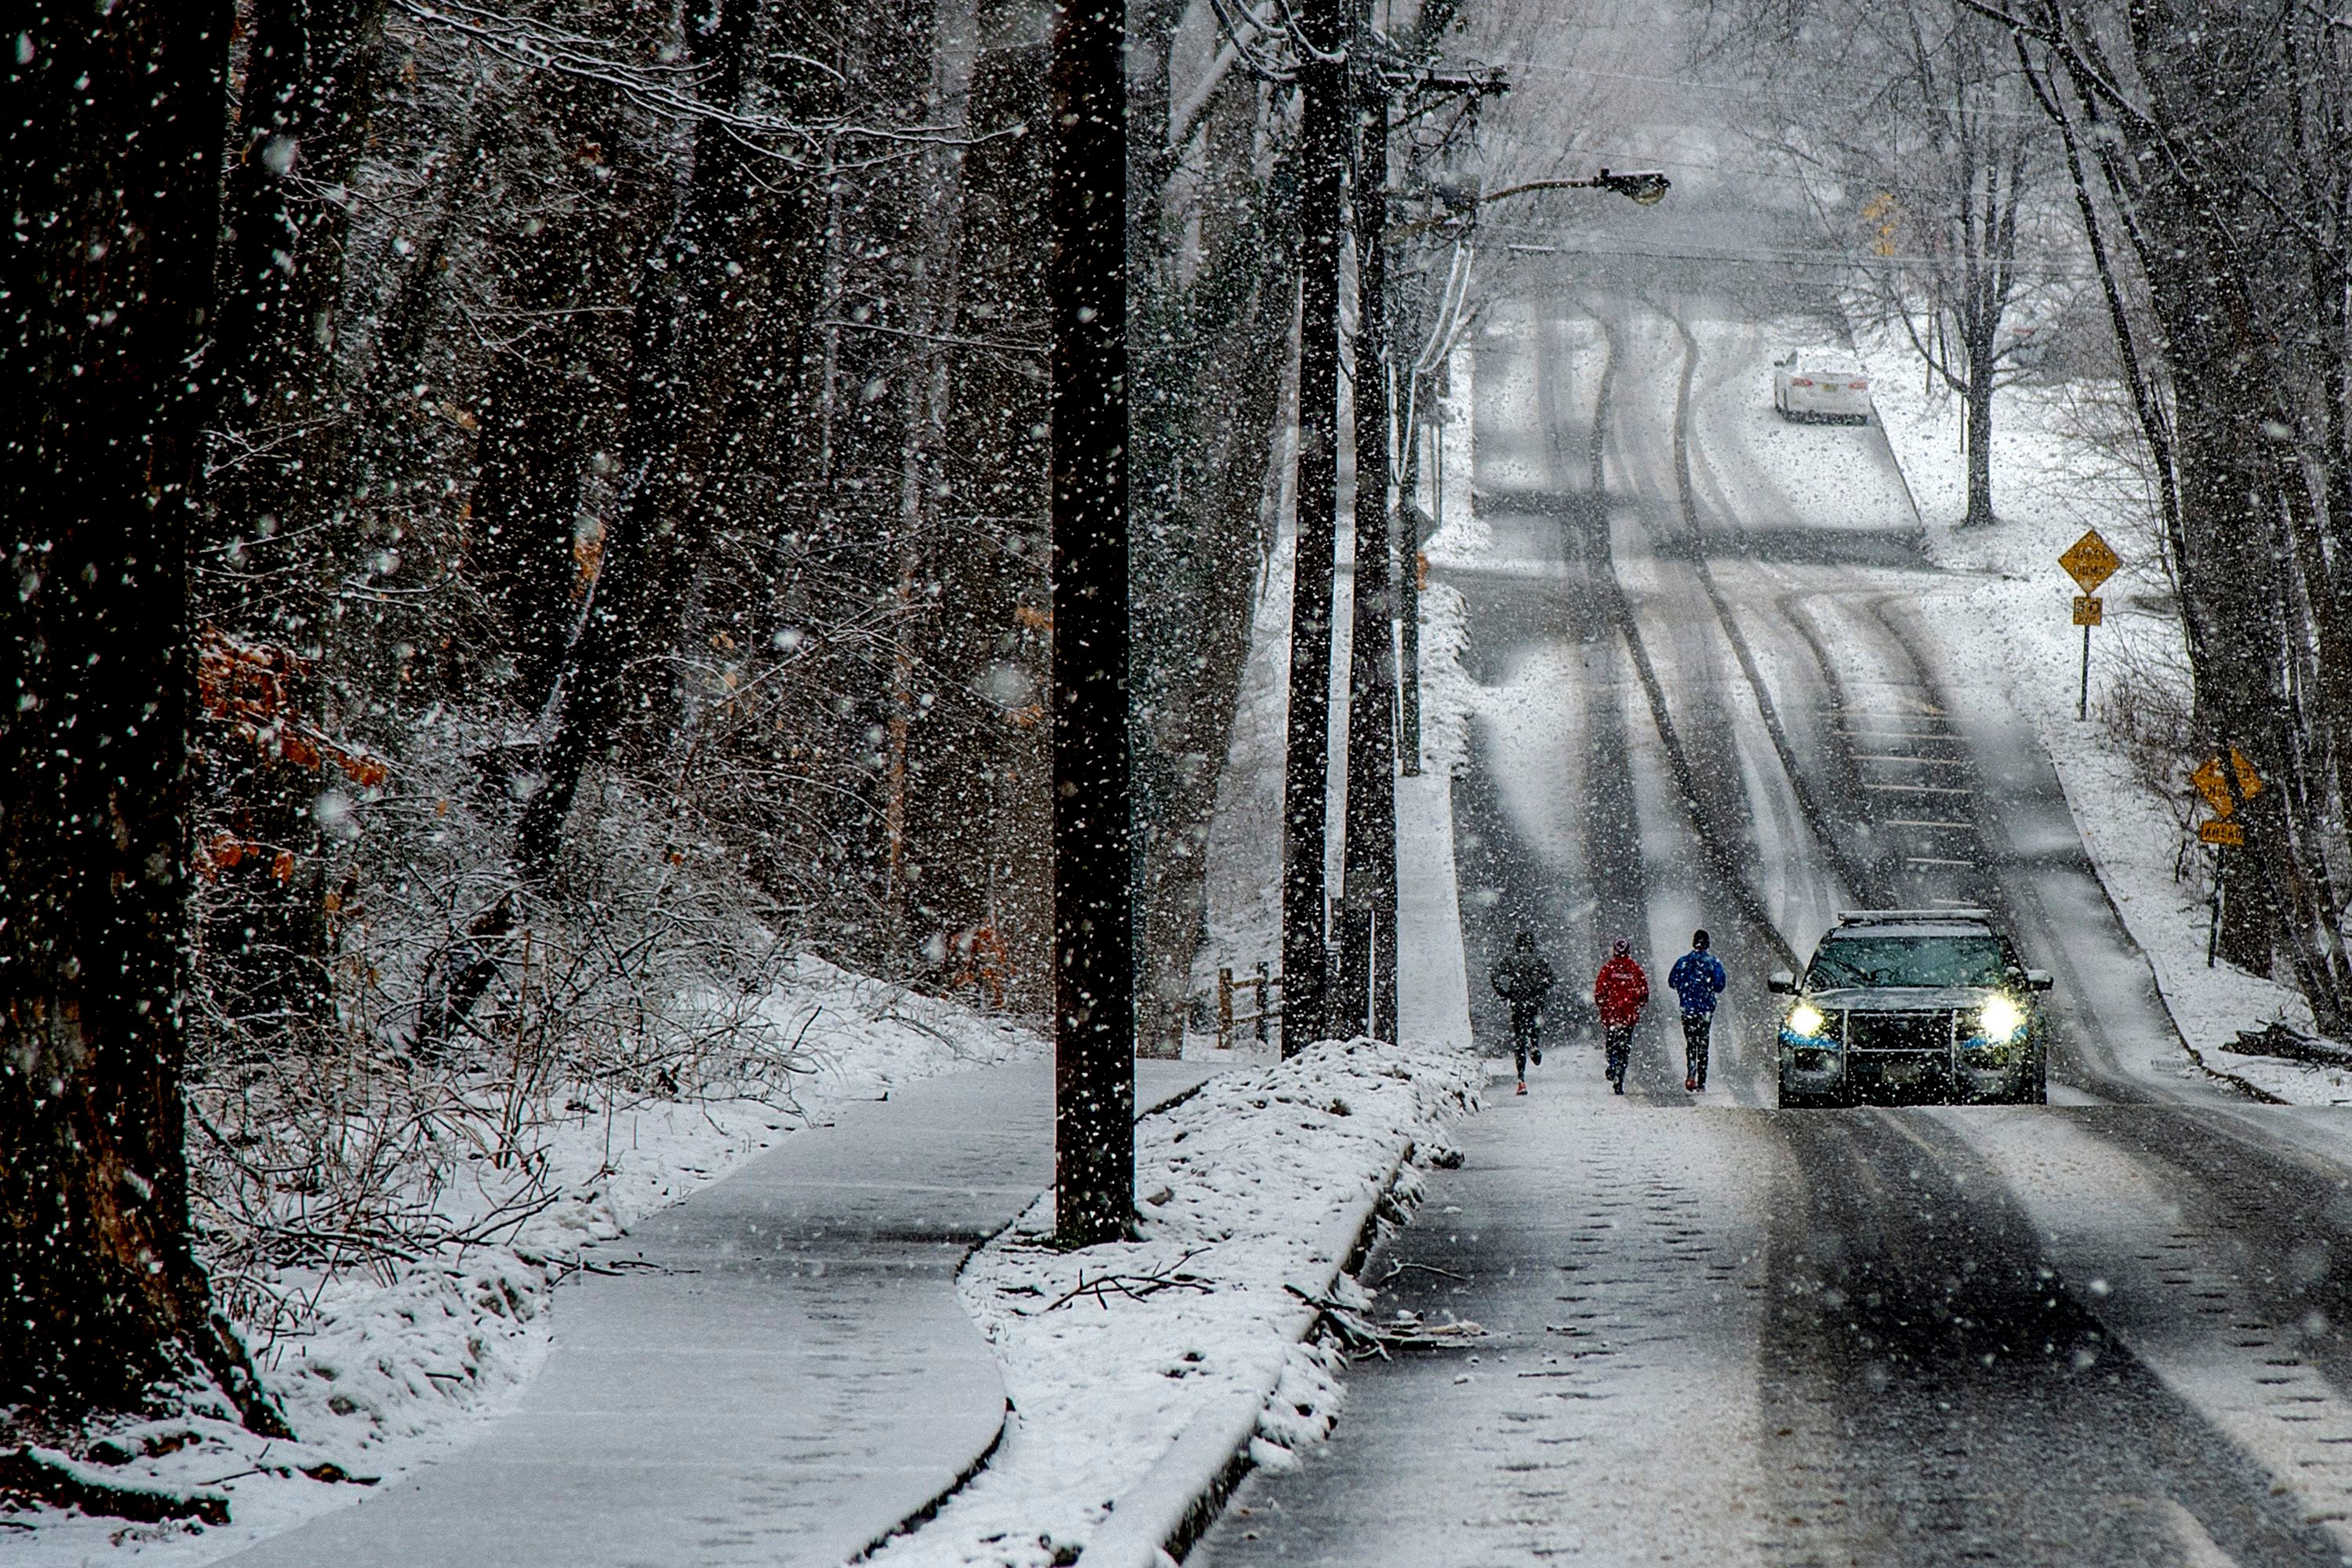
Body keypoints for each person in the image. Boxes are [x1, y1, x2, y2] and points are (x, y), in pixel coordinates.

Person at [1489, 931, 1557, 1095]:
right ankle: (1534, 1046)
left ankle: (1521, 1079)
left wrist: (1504, 992)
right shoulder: (1540, 961)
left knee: (1519, 1039)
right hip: (1535, 1002)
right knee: (1535, 1028)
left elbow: (1495, 975)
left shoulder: (1511, 961)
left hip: (1518, 1002)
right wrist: (1540, 988)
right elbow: (1552, 979)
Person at [1667, 928, 1729, 1092]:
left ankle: (1691, 1074)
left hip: (1688, 1009)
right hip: (1705, 1010)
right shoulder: (1713, 963)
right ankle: (1702, 1081)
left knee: (1691, 1042)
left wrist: (1685, 990)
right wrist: (1707, 989)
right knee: (1703, 1044)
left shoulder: (1683, 962)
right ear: (1707, 944)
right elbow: (1720, 985)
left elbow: (1672, 981)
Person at [1593, 938, 1650, 1094]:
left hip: (1612, 1016)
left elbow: (1600, 992)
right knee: (1625, 1049)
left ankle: (1612, 1064)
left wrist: (1604, 1006)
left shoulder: (1608, 969)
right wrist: (1637, 1004)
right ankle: (1620, 1075)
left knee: (1611, 1044)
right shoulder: (1635, 970)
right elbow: (1644, 993)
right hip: (1628, 1016)